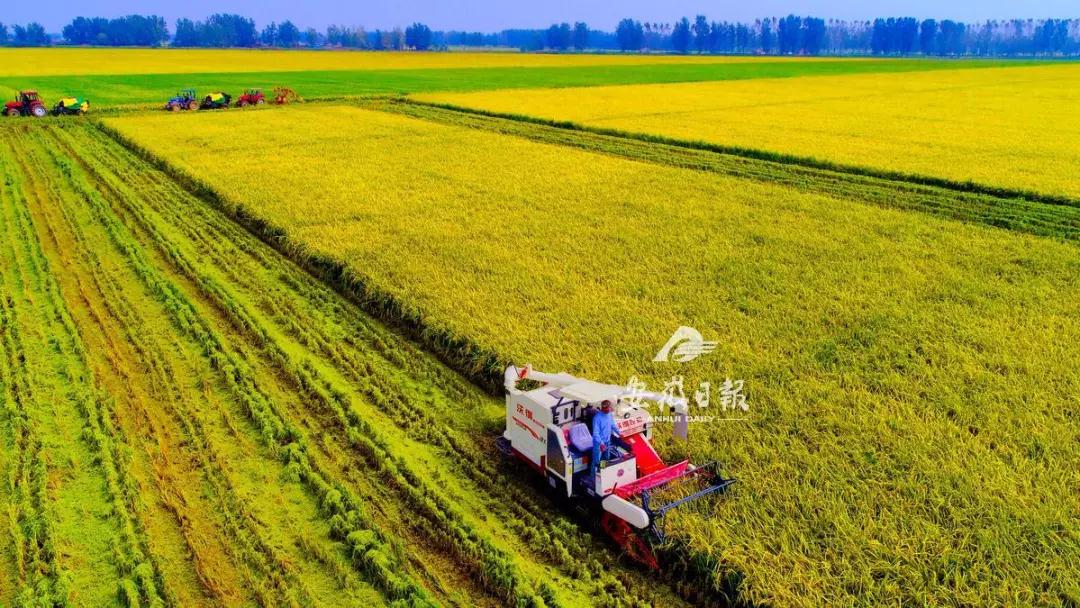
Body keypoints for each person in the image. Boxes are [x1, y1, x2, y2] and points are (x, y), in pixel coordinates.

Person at [590, 400, 622, 479]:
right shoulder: (597, 418)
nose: (610, 410)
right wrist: (601, 444)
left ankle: (602, 472)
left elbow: (612, 425)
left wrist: (619, 433)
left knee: (605, 458)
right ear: (603, 408)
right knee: (597, 461)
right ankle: (593, 478)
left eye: (610, 408)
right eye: (608, 409)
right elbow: (595, 433)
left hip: (607, 441)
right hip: (599, 443)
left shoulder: (609, 414)